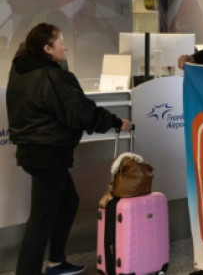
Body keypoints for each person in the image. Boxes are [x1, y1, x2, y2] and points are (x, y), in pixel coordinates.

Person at [6, 23, 133, 275]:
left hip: (34, 150)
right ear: (47, 48)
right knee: (41, 218)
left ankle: (56, 261)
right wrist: (116, 122)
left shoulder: (21, 71)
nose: (65, 47)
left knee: (67, 202)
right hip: (48, 152)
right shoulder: (53, 77)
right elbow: (82, 111)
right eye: (60, 42)